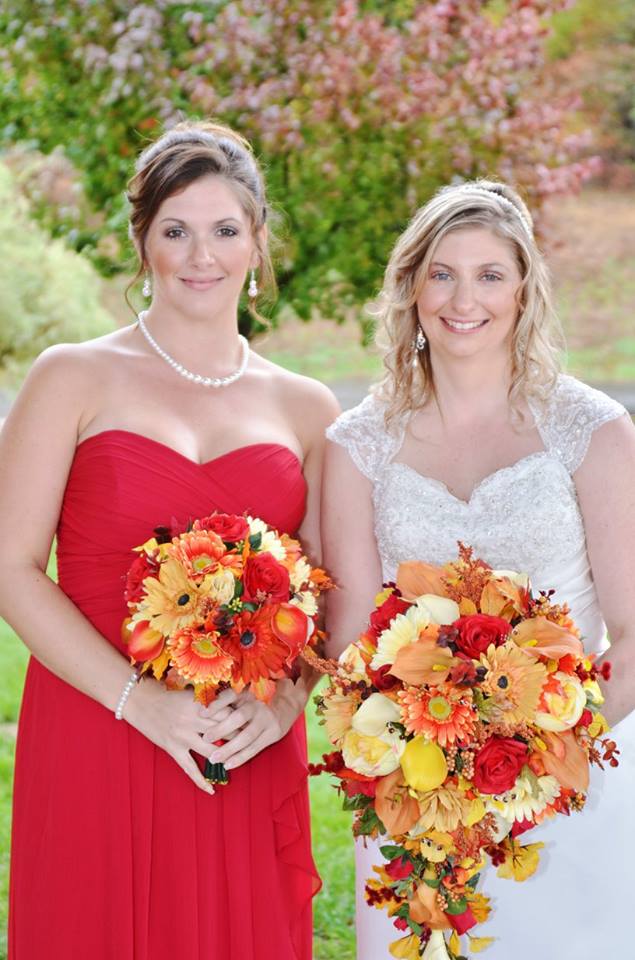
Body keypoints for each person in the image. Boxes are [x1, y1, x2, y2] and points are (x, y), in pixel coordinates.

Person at [1, 120, 339, 959]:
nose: (201, 255)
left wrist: (287, 702)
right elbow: (9, 567)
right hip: (98, 721)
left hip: (241, 733)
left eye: (225, 230)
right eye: (174, 230)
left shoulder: (307, 408)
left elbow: (329, 588)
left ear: (258, 243)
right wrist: (138, 701)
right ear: (140, 241)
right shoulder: (70, 376)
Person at [321, 179, 635, 959]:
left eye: (489, 274)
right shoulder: (357, 445)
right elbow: (352, 646)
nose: (464, 299)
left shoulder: (588, 429)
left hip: (573, 781)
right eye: (442, 273)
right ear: (411, 287)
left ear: (524, 291)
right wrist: (422, 764)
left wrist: (539, 757)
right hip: (417, 791)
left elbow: (632, 635)